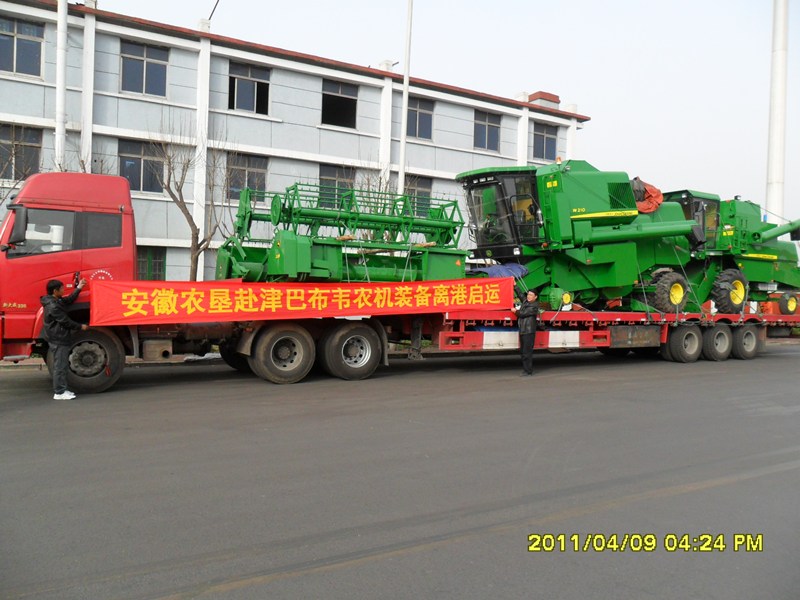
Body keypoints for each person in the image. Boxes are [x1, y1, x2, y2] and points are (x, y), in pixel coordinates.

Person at [41, 278, 88, 400]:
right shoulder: (53, 306)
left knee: (62, 365)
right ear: (55, 291)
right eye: (61, 289)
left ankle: (62, 389)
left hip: (58, 337)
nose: (63, 290)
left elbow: (69, 299)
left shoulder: (56, 300)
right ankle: (59, 392)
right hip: (58, 338)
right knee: (60, 366)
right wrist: (80, 326)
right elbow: (65, 321)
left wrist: (79, 288)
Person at [511, 289, 539, 376]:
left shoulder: (534, 306)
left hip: (528, 331)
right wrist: (515, 286)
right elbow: (521, 295)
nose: (528, 296)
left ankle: (528, 371)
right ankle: (526, 369)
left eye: (531, 295)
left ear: (535, 297)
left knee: (527, 352)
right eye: (528, 294)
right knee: (523, 351)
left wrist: (515, 311)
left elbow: (523, 313)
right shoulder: (526, 302)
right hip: (523, 330)